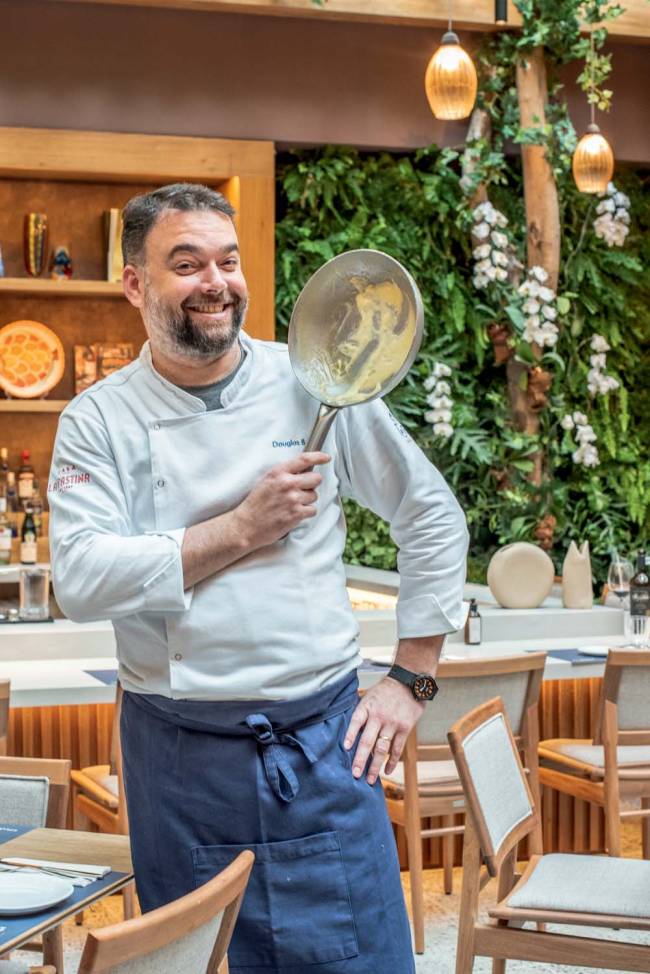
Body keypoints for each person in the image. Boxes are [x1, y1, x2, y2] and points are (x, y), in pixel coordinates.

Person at [49, 183, 468, 972]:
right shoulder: (97, 419)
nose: (217, 281)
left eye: (228, 261)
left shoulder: (312, 381)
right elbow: (80, 578)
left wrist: (411, 678)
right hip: (178, 760)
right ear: (135, 283)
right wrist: (242, 528)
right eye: (186, 263)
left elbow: (431, 516)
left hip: (322, 747)